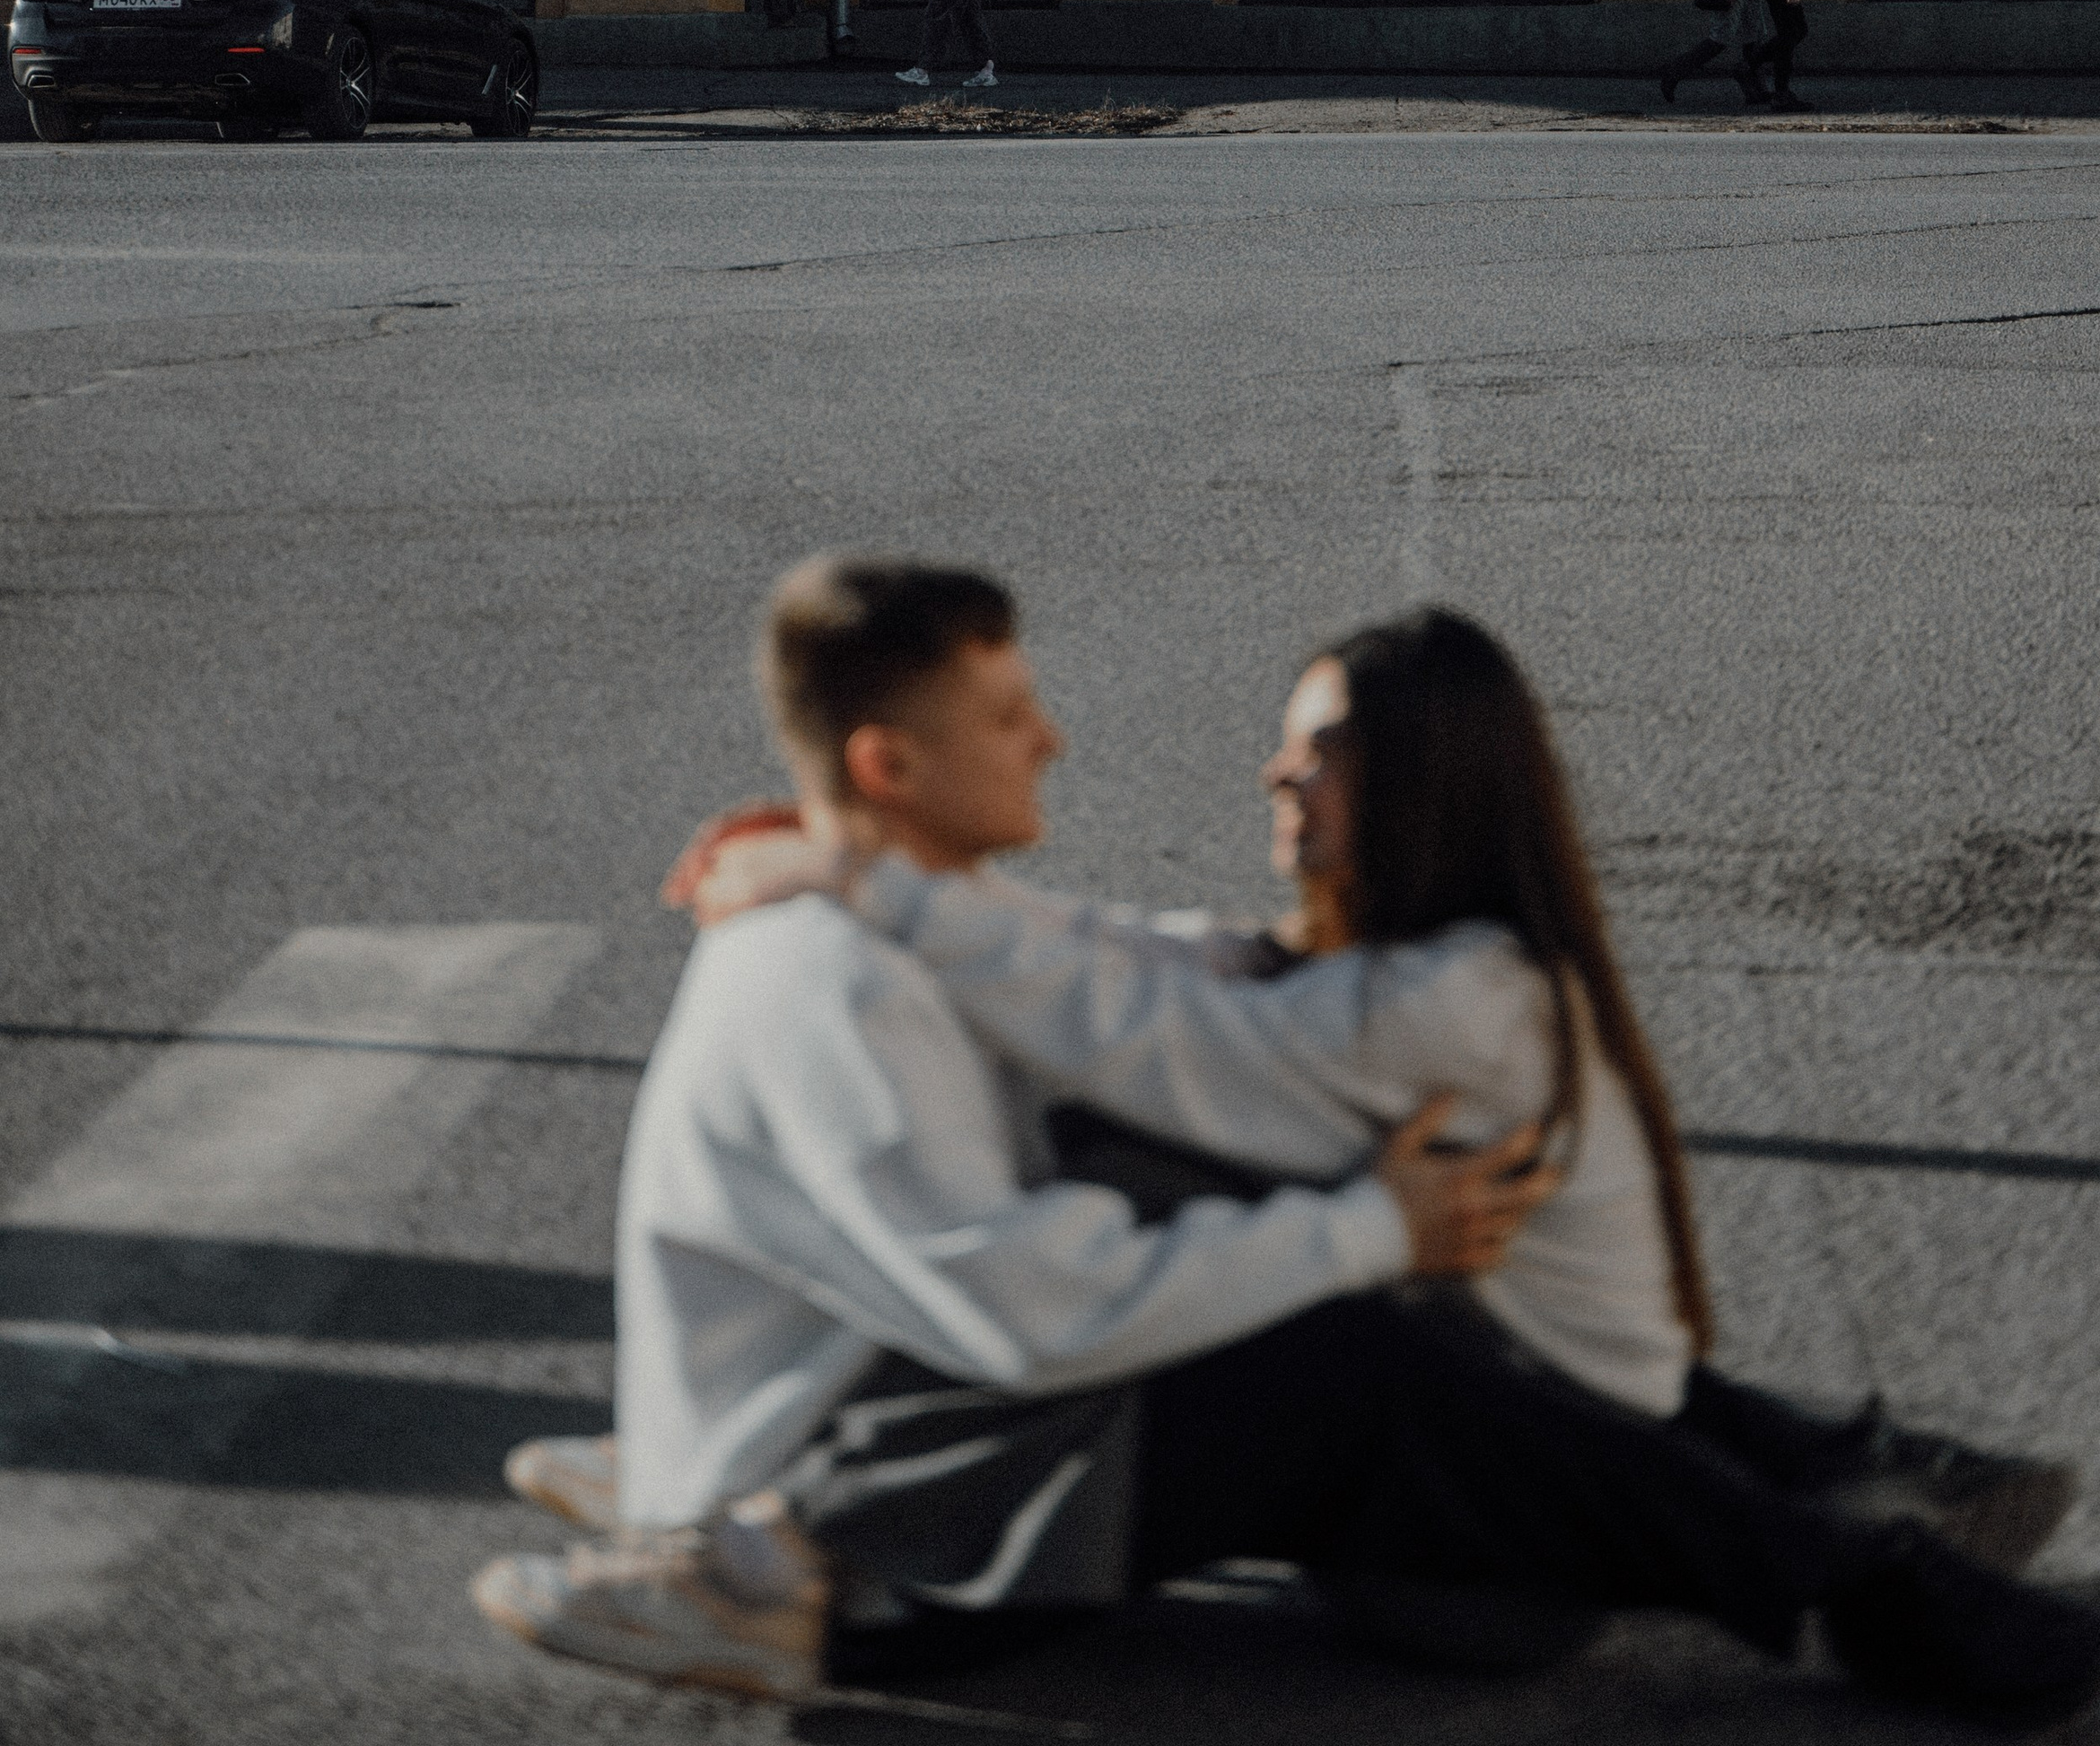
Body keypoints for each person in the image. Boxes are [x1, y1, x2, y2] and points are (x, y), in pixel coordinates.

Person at [498, 587, 2100, 1729]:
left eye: (1316, 749)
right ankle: (1863, 1498)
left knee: (1275, 1282)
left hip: (1496, 1553)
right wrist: (852, 866)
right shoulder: (1400, 974)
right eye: (1012, 714)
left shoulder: (1438, 1001)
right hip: (1510, 1462)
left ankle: (1853, 1563)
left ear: (1418, 781)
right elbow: (1153, 968)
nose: (1273, 771)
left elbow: (1140, 1025)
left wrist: (867, 878)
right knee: (1225, 1225)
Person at [472, 558, 1555, 1704]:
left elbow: (1099, 958)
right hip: (859, 1511)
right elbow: (1036, 1314)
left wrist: (1298, 971)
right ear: (887, 763)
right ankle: (723, 1568)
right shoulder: (838, 985)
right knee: (1305, 1354)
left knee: (1181, 1181)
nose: (1050, 740)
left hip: (830, 1393)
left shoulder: (893, 911)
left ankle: (684, 1470)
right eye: (1005, 715)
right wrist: (1372, 1229)